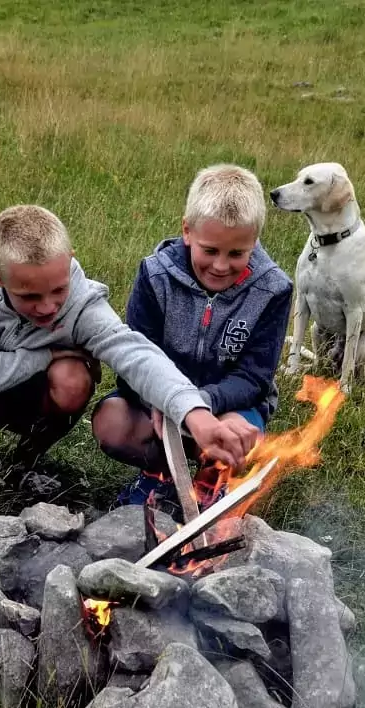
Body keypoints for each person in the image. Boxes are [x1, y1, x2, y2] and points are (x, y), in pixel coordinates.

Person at [0, 204, 254, 502]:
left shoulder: (83, 303)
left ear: (69, 261)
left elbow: (136, 354)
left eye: (58, 289)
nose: (48, 306)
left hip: (33, 396)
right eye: (29, 296)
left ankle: (22, 464)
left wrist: (194, 412)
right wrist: (46, 356)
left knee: (73, 379)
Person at [92, 164, 293, 509]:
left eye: (237, 254)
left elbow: (254, 377)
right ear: (187, 230)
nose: (220, 266)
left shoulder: (273, 289)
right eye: (210, 250)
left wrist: (199, 404)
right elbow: (135, 360)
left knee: (236, 434)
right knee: (111, 422)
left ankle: (209, 483)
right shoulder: (155, 275)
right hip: (156, 405)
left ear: (254, 240)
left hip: (228, 406)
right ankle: (160, 475)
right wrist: (165, 401)